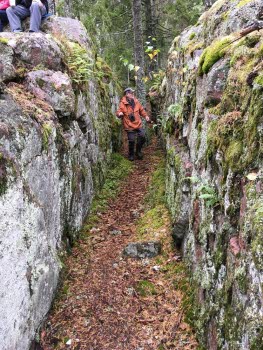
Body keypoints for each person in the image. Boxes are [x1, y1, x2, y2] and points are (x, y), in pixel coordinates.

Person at [116, 87, 150, 161]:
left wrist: (146, 116)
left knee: (143, 136)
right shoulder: (122, 103)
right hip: (129, 126)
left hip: (138, 124)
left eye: (133, 93)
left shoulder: (136, 101)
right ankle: (131, 154)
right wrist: (120, 114)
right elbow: (118, 112)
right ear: (127, 94)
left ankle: (138, 151)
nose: (133, 94)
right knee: (131, 140)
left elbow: (141, 110)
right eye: (131, 93)